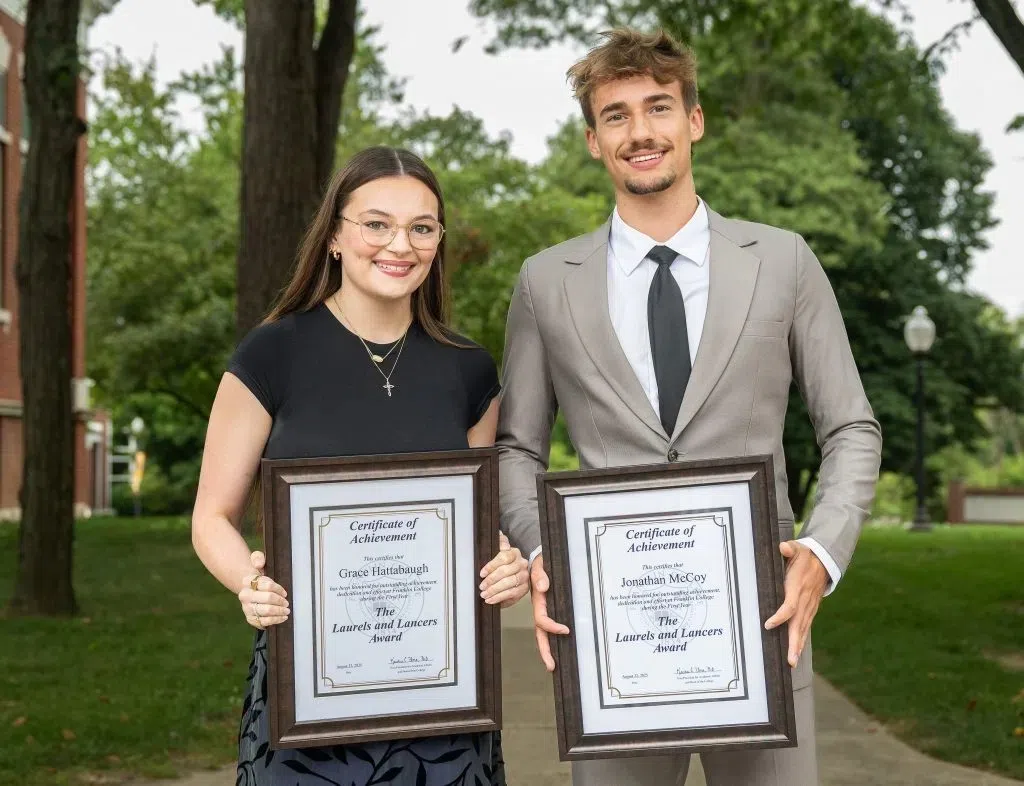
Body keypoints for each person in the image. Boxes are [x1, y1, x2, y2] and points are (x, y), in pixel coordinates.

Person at [496, 28, 882, 786]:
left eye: (658, 107)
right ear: (593, 140)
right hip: (610, 638)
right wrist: (546, 557)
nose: (639, 132)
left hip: (764, 625)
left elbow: (851, 427)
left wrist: (823, 551)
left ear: (694, 120)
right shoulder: (546, 282)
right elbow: (517, 448)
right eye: (616, 115)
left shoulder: (784, 261)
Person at [191, 145, 528, 786]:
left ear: (438, 242)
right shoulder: (272, 353)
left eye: (421, 227)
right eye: (377, 224)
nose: (400, 244)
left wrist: (503, 565)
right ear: (335, 237)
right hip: (308, 684)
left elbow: (474, 526)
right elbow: (211, 516)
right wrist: (248, 583)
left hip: (442, 690)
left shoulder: (469, 369)